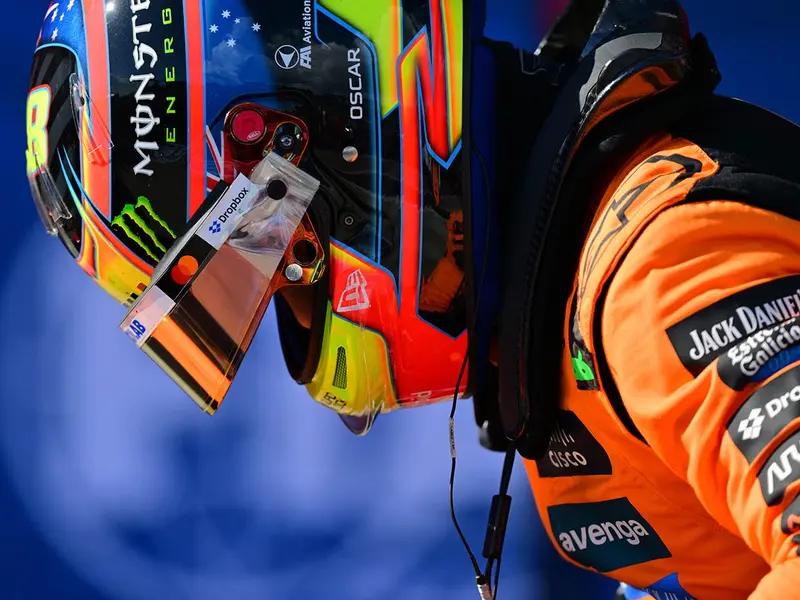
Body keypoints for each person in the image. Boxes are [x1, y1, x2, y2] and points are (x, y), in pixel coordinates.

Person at [23, 0, 800, 597]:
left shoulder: (651, 271)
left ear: (315, 145)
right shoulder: (565, 303)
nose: (293, 303)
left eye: (279, 259)